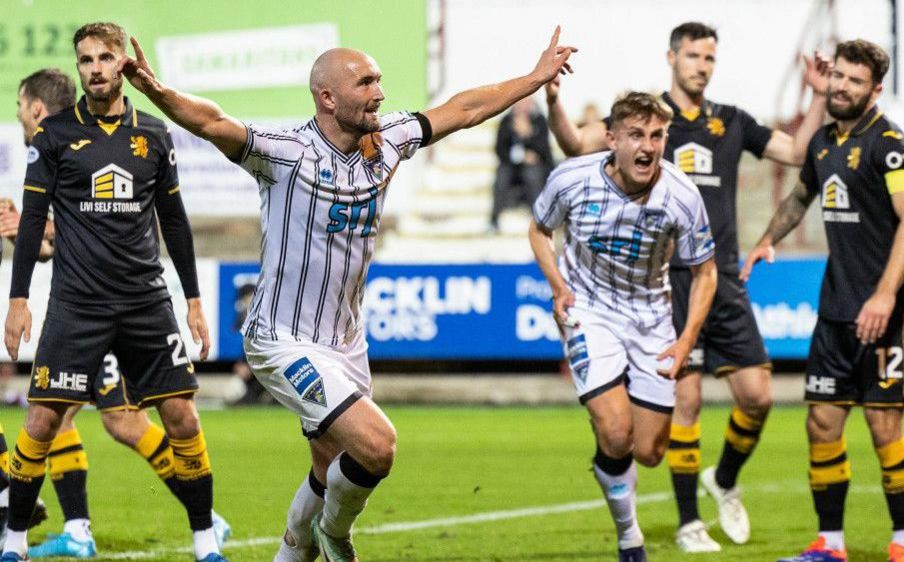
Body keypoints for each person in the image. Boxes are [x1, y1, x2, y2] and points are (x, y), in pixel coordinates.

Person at [119, 23, 575, 561]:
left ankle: (291, 552)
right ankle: (335, 533)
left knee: (326, 463)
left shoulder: (389, 143)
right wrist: (159, 92)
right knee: (376, 446)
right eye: (365, 82)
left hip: (345, 341)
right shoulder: (284, 152)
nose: (379, 92)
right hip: (281, 339)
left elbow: (464, 109)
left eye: (379, 80)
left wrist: (533, 77)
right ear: (328, 96)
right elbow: (213, 121)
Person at [545, 21, 830, 551]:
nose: (703, 65)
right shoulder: (644, 121)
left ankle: (723, 477)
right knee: (688, 401)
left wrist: (816, 95)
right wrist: (555, 101)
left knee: (758, 396)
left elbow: (795, 152)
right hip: (662, 280)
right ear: (671, 57)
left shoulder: (731, 121)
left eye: (709, 58)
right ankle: (687, 521)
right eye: (694, 55)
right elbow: (575, 144)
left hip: (717, 274)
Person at [1, 24, 225, 562]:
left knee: (179, 418)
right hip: (77, 307)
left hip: (146, 304)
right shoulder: (54, 137)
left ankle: (205, 540)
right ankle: (14, 541)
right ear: (77, 67)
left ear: (123, 64)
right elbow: (34, 222)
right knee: (44, 419)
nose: (95, 68)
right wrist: (18, 298)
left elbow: (174, 221)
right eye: (85, 60)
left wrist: (193, 301)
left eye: (105, 57)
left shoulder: (154, 135)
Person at [741, 39, 904, 562]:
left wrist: (885, 295)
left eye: (854, 81)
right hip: (835, 311)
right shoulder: (822, 140)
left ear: (875, 89)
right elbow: (800, 197)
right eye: (838, 76)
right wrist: (766, 239)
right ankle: (831, 545)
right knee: (822, 422)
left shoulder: (890, 143)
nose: (842, 86)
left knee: (883, 425)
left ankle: (903, 544)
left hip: (885, 314)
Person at [530, 91, 718, 562]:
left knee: (652, 450)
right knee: (616, 434)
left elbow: (705, 273)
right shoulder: (572, 179)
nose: (648, 146)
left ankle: (611, 462)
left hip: (652, 319)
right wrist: (558, 286)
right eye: (636, 134)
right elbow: (539, 229)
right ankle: (629, 537)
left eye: (657, 135)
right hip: (588, 311)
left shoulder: (682, 196)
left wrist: (686, 339)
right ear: (611, 139)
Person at [490, 97, 554, 231]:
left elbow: (545, 150)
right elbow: (500, 149)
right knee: (501, 175)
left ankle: (538, 218)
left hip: (535, 168)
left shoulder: (539, 121)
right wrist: (519, 157)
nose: (524, 107)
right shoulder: (506, 122)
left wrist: (528, 135)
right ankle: (494, 219)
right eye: (521, 104)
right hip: (511, 167)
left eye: (527, 104)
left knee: (532, 174)